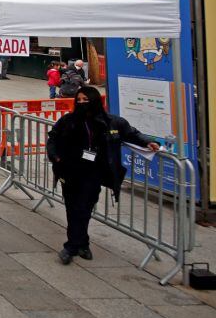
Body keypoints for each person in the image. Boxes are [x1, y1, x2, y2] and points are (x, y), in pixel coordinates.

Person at [46, 86, 159, 264]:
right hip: (69, 169)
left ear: (95, 101)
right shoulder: (69, 120)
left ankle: (71, 247)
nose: (82, 103)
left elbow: (132, 134)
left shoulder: (112, 122)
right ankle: (81, 243)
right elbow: (53, 138)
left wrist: (149, 142)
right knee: (72, 208)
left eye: (86, 100)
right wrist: (56, 158)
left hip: (94, 172)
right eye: (79, 100)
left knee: (84, 208)